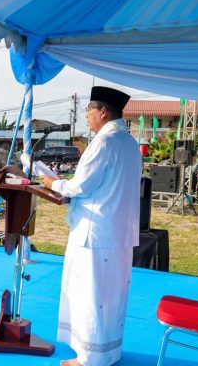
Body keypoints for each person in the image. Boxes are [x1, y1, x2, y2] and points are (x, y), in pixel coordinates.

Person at [41, 86, 141, 366]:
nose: (86, 116)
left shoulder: (104, 142)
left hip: (96, 232)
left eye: (89, 110)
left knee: (92, 295)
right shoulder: (129, 142)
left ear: (103, 112)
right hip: (117, 232)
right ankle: (108, 352)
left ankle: (89, 359)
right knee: (111, 296)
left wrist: (51, 182)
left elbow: (80, 186)